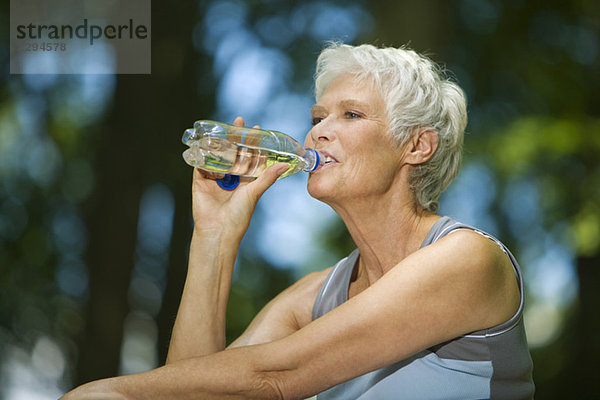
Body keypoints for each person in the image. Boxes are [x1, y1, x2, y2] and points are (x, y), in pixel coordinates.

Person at [60, 43, 534, 399]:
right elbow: (197, 393)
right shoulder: (312, 298)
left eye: (350, 114)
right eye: (318, 115)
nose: (318, 130)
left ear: (416, 146)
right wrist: (215, 236)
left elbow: (275, 376)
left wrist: (113, 392)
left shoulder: (469, 260)